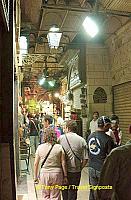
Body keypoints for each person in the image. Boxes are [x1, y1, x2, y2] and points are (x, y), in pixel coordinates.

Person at [34, 127, 67, 200]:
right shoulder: (59, 147)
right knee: (55, 196)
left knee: (45, 196)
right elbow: (63, 163)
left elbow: (36, 163)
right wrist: (65, 176)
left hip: (44, 174)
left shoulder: (40, 147)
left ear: (45, 136)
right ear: (55, 136)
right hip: (57, 173)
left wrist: (35, 177)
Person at [58, 120, 88, 200]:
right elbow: (85, 158)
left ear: (67, 128)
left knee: (64, 191)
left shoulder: (60, 138)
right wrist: (80, 167)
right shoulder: (82, 140)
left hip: (63, 171)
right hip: (76, 171)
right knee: (73, 192)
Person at [87, 116, 115, 200]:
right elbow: (111, 156)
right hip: (103, 169)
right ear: (105, 125)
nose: (110, 127)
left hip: (91, 167)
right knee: (104, 193)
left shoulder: (90, 136)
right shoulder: (108, 139)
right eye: (109, 125)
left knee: (92, 192)